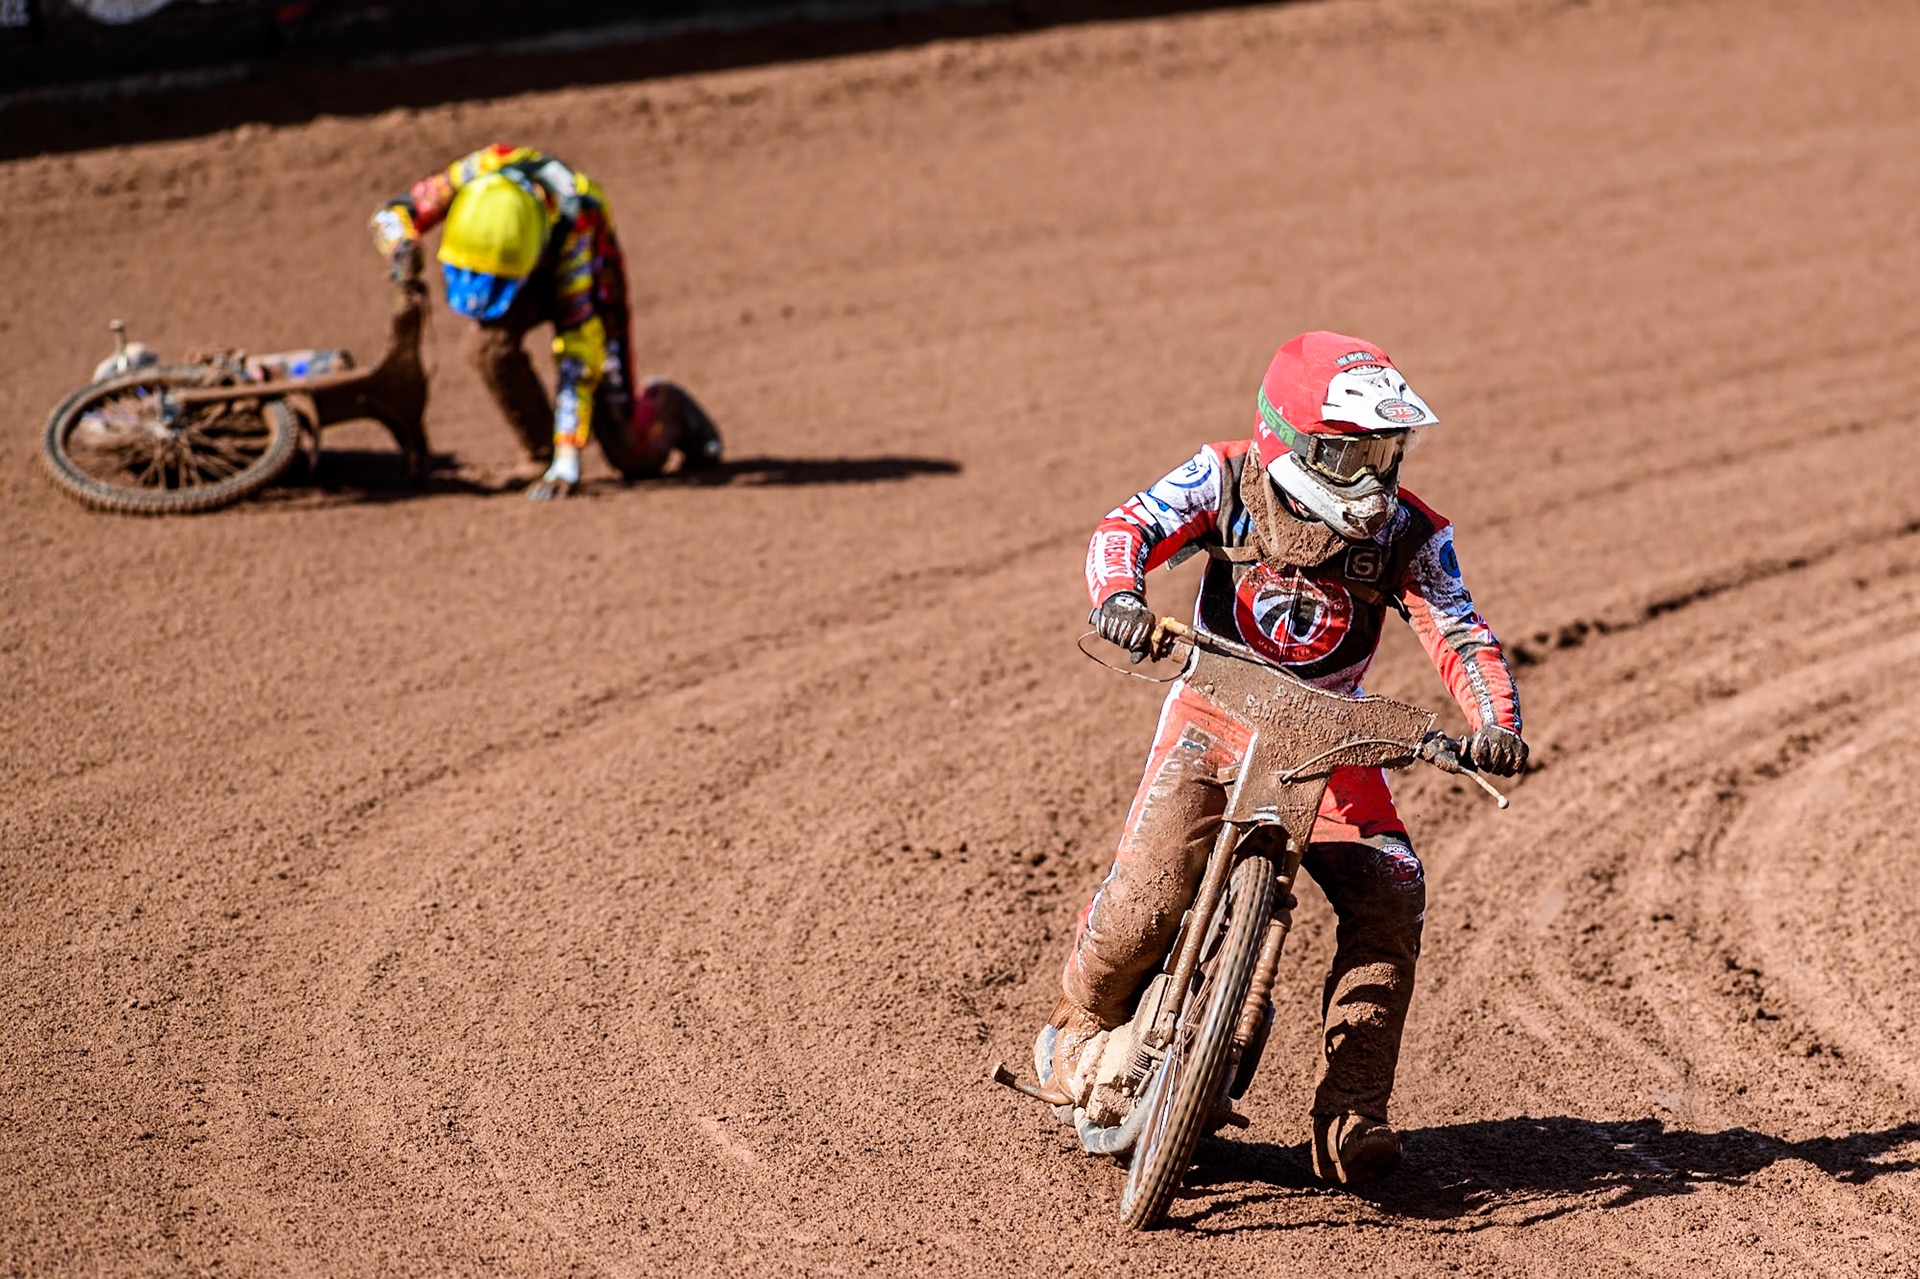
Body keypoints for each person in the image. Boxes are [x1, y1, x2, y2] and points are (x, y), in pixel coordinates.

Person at [1039, 330, 1527, 1187]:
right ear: (1288, 443)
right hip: (1215, 713)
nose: (1374, 479)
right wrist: (1119, 597)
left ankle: (1352, 1113)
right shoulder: (1223, 476)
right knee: (1150, 892)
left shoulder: (1411, 532)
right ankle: (1078, 1022)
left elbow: (1458, 628)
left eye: (1385, 453)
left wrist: (1494, 720)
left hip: (1335, 738)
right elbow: (1129, 525)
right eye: (1350, 455)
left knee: (1394, 888)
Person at [369, 144, 721, 500]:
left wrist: (568, 456)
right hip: (518, 262)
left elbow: (578, 353)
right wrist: (403, 248)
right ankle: (538, 454)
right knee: (488, 349)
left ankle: (669, 408)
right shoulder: (474, 174)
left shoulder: (578, 231)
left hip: (584, 273)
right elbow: (392, 213)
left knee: (630, 450)